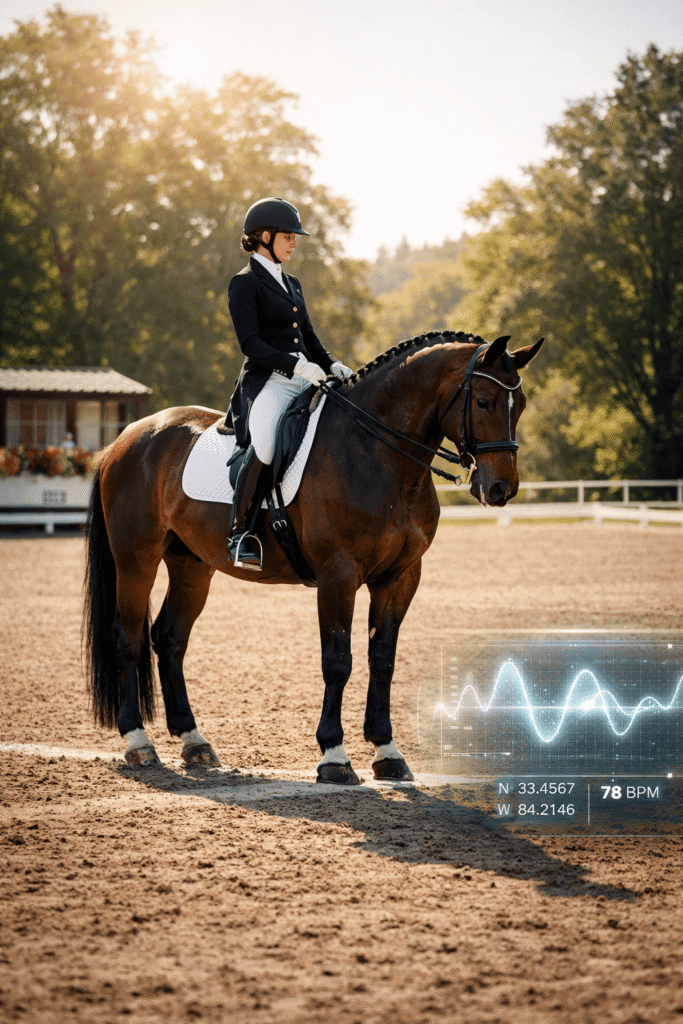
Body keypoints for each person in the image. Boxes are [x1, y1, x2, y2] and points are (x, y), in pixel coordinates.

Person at [221, 197, 353, 571]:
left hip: (306, 377)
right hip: (270, 383)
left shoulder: (291, 282)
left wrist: (332, 364)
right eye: (288, 236)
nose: (295, 242)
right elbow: (251, 344)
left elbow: (308, 336)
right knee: (264, 445)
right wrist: (295, 366)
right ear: (264, 236)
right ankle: (240, 532)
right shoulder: (244, 283)